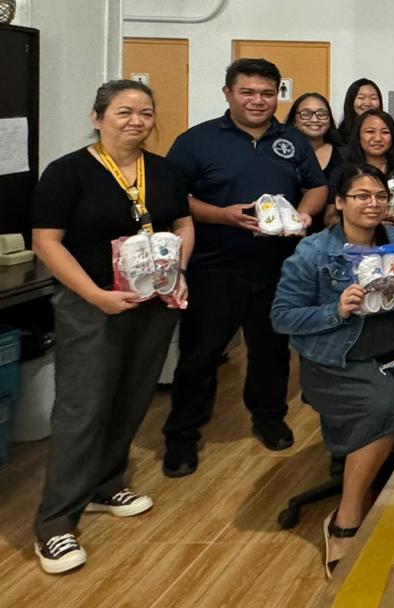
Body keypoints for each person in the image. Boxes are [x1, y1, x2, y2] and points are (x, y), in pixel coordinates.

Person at [29, 80, 192, 574]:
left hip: (153, 303)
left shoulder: (163, 171)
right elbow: (46, 242)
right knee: (82, 408)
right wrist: (94, 294)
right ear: (97, 117)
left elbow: (183, 225)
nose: (136, 121)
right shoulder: (68, 172)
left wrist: (177, 271)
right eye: (124, 112)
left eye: (146, 112)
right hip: (92, 304)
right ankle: (55, 523)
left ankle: (105, 484)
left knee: (132, 396)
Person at [272, 164, 394, 578]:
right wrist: (336, 309)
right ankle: (346, 518)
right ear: (339, 202)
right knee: (382, 407)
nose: (373, 204)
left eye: (380, 196)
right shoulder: (314, 252)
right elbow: (282, 316)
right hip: (341, 359)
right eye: (362, 196)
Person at [162, 58, 328, 478]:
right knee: (201, 354)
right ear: (228, 93)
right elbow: (173, 199)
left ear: (278, 95)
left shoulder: (293, 140)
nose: (258, 100)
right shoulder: (196, 141)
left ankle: (269, 417)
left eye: (267, 93)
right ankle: (182, 434)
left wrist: (306, 214)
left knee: (271, 351)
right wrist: (222, 215)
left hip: (279, 267)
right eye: (247, 92)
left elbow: (316, 186)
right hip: (214, 267)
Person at [326, 110, 394, 229]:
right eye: (370, 131)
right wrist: (361, 223)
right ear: (358, 136)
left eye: (385, 132)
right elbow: (330, 217)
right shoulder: (343, 172)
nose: (378, 138)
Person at [286, 92, 343, 231]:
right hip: (286, 232)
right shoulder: (282, 154)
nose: (315, 119)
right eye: (306, 114)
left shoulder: (344, 155)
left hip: (332, 233)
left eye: (322, 114)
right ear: (294, 120)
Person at [336, 78, 383, 144]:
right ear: (351, 101)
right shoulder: (337, 137)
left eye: (373, 98)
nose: (367, 103)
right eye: (361, 98)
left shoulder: (389, 134)